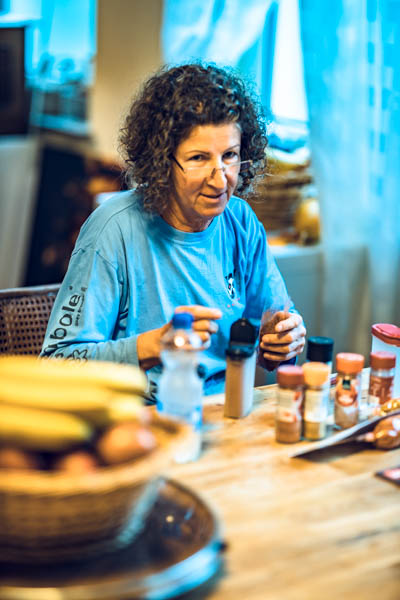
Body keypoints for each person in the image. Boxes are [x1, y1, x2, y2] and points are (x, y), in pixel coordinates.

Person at [41, 62, 306, 395]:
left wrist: (283, 341)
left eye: (230, 155)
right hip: (142, 416)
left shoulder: (241, 221)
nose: (220, 180)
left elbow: (273, 334)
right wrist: (152, 346)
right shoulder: (113, 229)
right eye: (198, 159)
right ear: (161, 162)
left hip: (225, 412)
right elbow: (57, 363)